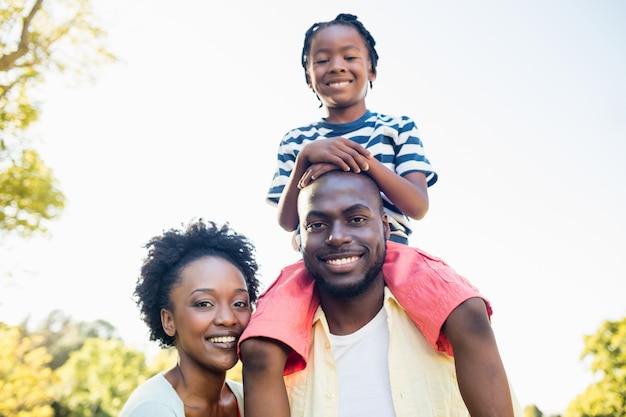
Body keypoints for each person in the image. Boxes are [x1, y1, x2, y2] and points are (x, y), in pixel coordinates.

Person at [240, 171, 522, 417]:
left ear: (386, 228)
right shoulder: (275, 355)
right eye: (316, 225)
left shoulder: (454, 325)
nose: (337, 236)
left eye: (357, 219)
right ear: (298, 240)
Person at [268, 13, 437, 247]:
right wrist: (304, 158)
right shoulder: (296, 142)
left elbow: (418, 206)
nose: (337, 67)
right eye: (322, 60)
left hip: (392, 257)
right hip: (322, 262)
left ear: (372, 70)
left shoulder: (398, 129)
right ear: (308, 76)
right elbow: (288, 222)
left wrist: (355, 162)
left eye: (349, 57)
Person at [119, 219, 261, 417]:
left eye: (239, 303)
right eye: (204, 303)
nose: (228, 319)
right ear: (169, 321)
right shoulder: (152, 409)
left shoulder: (250, 402)